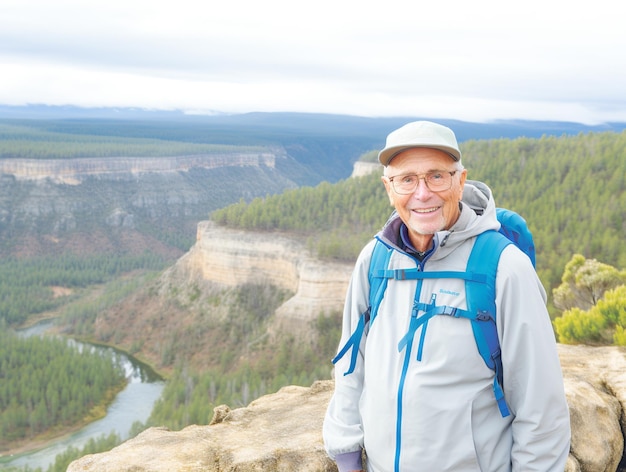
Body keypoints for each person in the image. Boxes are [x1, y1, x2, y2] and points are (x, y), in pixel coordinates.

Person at [322, 121, 570, 472]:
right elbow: (351, 368)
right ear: (388, 188)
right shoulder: (375, 260)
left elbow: (541, 407)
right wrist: (347, 455)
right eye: (406, 179)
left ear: (461, 180)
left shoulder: (503, 267)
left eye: (437, 176)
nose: (422, 194)